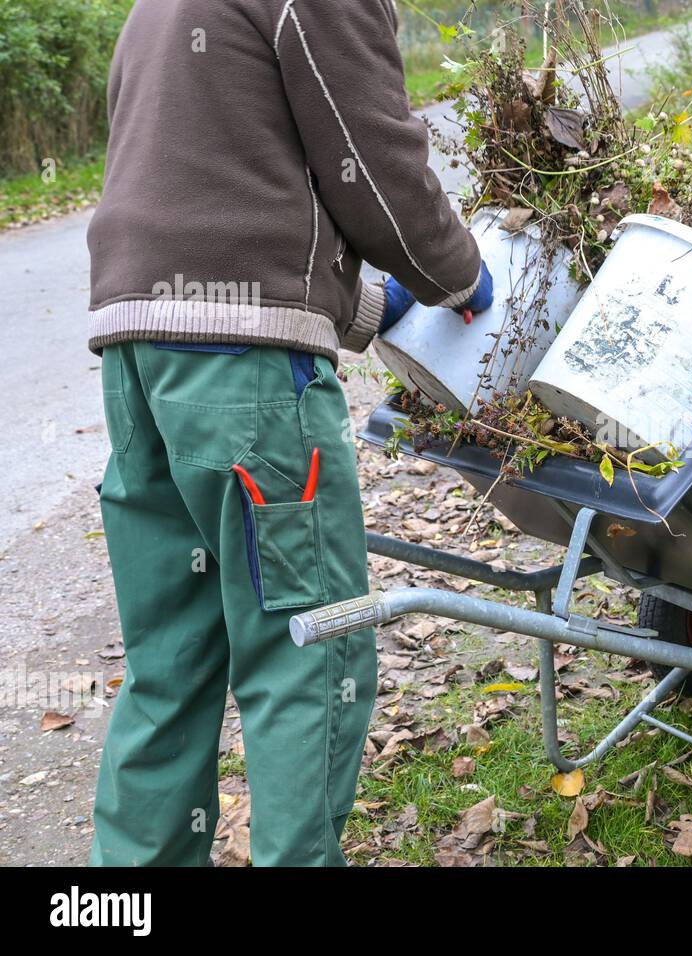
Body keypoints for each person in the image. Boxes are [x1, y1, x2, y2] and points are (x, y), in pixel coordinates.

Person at [85, 0, 491, 866]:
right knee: (310, 652)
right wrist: (455, 271)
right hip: (249, 383)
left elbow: (224, 177)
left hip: (139, 360)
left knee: (169, 664)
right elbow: (372, 159)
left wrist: (377, 304)